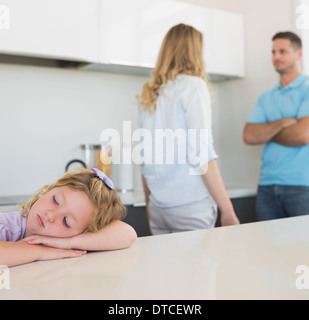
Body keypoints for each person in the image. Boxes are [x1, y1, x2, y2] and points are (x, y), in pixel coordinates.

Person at [136, 23, 239, 235]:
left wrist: (149, 205)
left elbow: (144, 158)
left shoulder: (150, 93)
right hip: (190, 207)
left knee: (165, 269)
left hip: (158, 207)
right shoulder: (194, 86)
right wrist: (227, 210)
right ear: (194, 52)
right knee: (199, 270)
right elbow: (201, 154)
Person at [0, 168, 137, 267]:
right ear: (49, 190)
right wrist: (40, 251)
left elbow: (128, 234)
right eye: (55, 200)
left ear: (84, 232)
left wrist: (70, 242)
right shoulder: (6, 227)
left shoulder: (67, 241)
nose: (50, 215)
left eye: (66, 222)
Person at [243, 31, 309, 221]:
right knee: (268, 249)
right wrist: (282, 123)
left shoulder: (307, 88)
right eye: (273, 52)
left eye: (282, 51)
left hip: (302, 186)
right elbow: (249, 135)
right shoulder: (266, 96)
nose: (276, 57)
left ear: (299, 54)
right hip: (266, 186)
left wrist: (266, 131)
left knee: (303, 249)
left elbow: (303, 135)